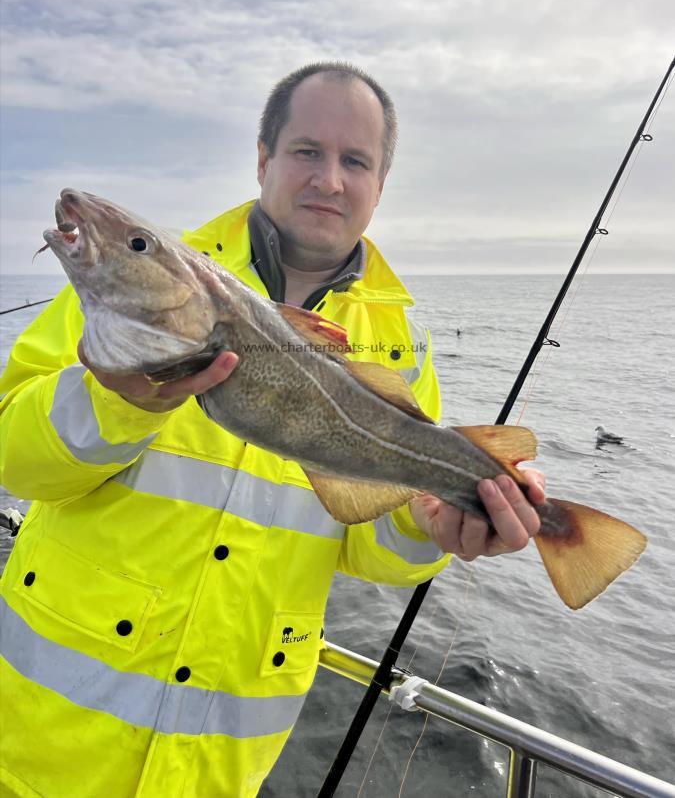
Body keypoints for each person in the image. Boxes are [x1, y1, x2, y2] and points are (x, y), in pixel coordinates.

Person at [0, 62, 544, 797]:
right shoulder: (122, 301)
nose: (329, 179)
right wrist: (113, 400)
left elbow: (368, 543)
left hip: (218, 770)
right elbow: (15, 464)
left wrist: (433, 529)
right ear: (263, 159)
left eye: (356, 161)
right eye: (306, 151)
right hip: (37, 749)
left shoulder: (401, 349)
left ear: (380, 183)